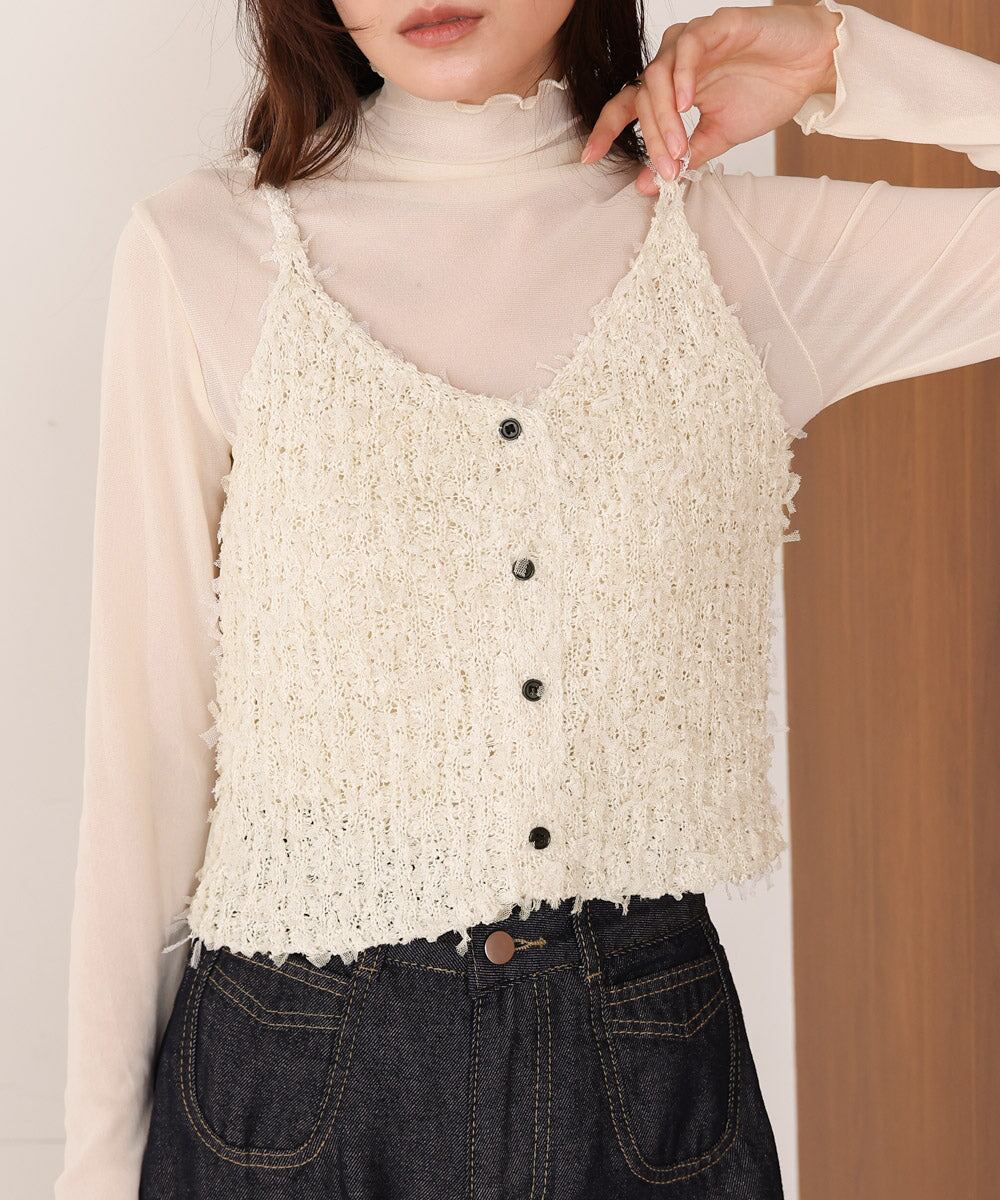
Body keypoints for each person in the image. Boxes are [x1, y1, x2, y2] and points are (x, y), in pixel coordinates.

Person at [56, 2, 999, 1198]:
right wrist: (91, 1174)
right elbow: (143, 754)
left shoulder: (732, 251)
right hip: (287, 1094)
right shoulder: (204, 250)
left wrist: (834, 63)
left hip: (644, 1089)